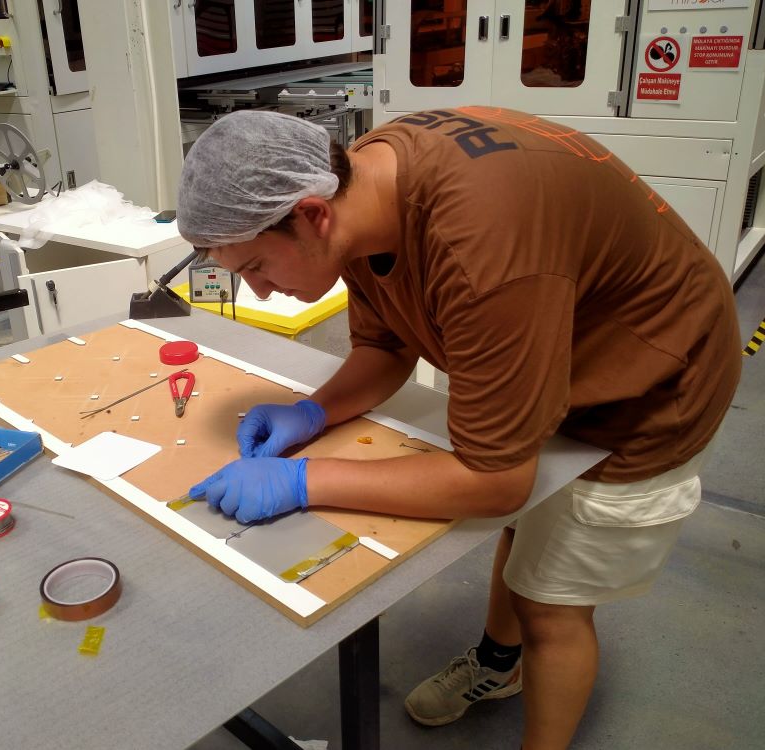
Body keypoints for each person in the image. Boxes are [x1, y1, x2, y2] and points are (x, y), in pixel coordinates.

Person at [176, 108, 742, 749]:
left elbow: (495, 480)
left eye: (257, 267)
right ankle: (499, 665)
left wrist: (304, 480)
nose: (259, 292)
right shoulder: (362, 185)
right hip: (555, 348)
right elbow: (387, 345)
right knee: (523, 530)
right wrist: (315, 411)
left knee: (551, 605)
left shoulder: (483, 246)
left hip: (647, 382)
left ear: (312, 215)